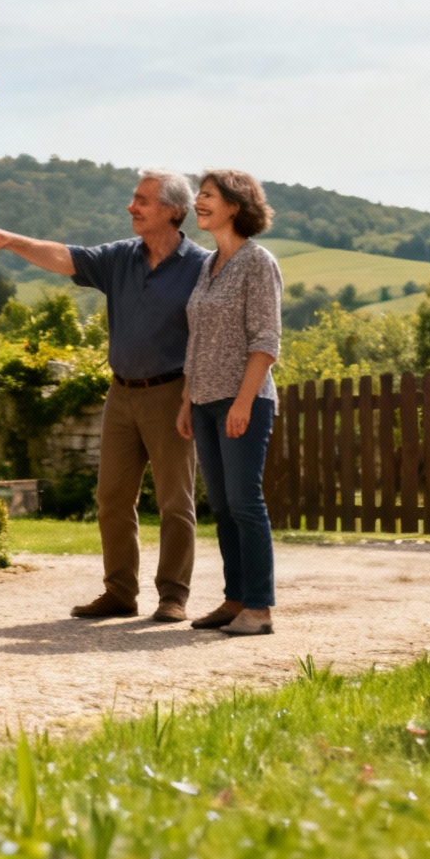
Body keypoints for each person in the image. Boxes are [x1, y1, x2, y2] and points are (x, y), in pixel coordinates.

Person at [0, 170, 206, 622]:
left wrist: (194, 395)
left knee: (176, 501)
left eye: (142, 200)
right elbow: (65, 256)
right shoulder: (119, 258)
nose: (131, 207)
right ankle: (119, 593)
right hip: (121, 394)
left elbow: (210, 337)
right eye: (133, 199)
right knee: (112, 497)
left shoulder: (201, 267)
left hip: (173, 393)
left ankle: (173, 595)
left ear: (173, 211)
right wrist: (11, 240)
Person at [177, 169, 282, 637]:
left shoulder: (258, 263)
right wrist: (187, 401)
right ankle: (234, 598)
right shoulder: (208, 264)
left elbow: (265, 341)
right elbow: (196, 339)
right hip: (203, 401)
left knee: (244, 502)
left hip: (245, 401)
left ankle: (259, 608)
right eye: (199, 194)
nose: (198, 201)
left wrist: (242, 402)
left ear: (235, 207)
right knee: (221, 504)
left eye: (208, 196)